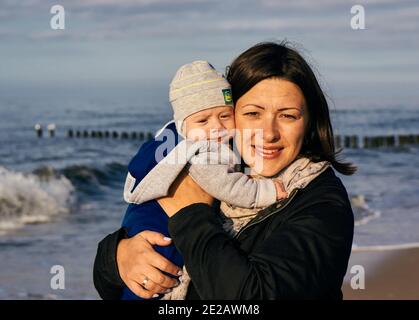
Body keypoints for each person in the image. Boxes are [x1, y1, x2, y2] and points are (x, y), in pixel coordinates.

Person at [93, 41, 356, 300]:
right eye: (253, 114)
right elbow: (108, 285)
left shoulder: (322, 204)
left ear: (309, 122)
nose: (269, 133)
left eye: (288, 116)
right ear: (231, 115)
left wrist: (190, 213)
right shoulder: (214, 167)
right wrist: (118, 257)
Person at [119, 60, 287, 300]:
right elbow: (229, 187)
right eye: (203, 120)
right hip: (159, 227)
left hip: (140, 220)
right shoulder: (203, 153)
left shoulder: (172, 142)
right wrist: (267, 192)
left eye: (224, 116)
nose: (217, 127)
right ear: (183, 126)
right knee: (158, 277)